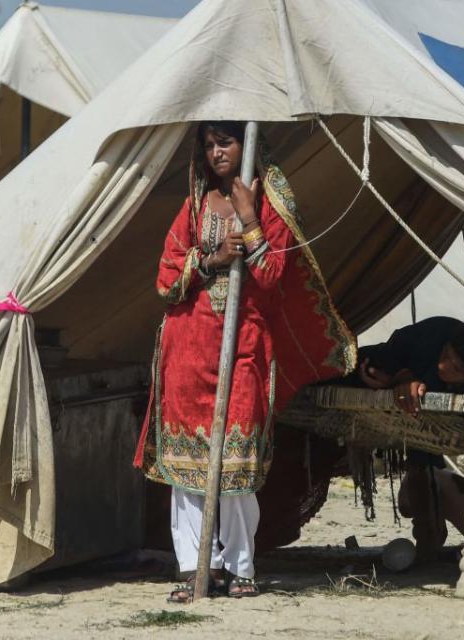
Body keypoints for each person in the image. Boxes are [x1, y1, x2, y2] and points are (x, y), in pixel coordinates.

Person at [133, 121, 356, 602]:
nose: (216, 153)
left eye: (226, 142)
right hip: (187, 348)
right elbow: (166, 277)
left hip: (244, 345)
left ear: (246, 145)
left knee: (236, 464)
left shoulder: (273, 203)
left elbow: (273, 273)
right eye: (209, 144)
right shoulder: (193, 206)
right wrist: (210, 259)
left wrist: (249, 218)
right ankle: (196, 569)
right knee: (187, 469)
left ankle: (241, 568)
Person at [352, 316, 464, 559]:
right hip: (358, 374)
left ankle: (430, 532)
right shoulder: (434, 335)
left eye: (456, 368)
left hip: (427, 437)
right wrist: (398, 377)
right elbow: (372, 364)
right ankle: (429, 530)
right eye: (446, 354)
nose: (443, 366)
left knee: (421, 468)